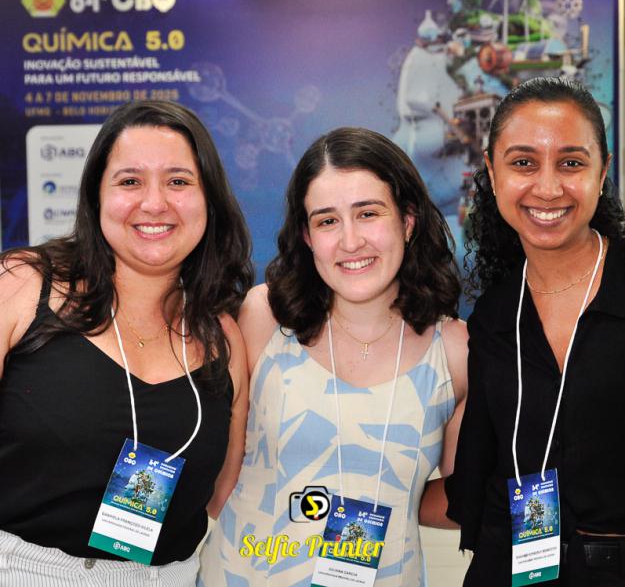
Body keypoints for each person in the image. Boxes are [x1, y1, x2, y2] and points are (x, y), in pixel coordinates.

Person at [200, 127, 467, 586]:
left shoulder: (455, 350)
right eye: (327, 221)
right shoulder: (263, 317)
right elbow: (213, 466)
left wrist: (395, 500)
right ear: (306, 236)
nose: (350, 241)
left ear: (408, 221)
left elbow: (464, 498)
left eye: (368, 213)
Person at [0, 100, 253, 586]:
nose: (154, 203)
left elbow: (224, 490)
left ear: (209, 200)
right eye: (130, 181)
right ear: (97, 196)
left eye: (178, 181)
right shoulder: (23, 286)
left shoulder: (222, 337)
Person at [446, 77, 625, 586]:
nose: (547, 188)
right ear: (492, 172)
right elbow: (477, 475)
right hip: (510, 569)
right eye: (523, 162)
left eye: (571, 163)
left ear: (602, 171)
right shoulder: (493, 318)